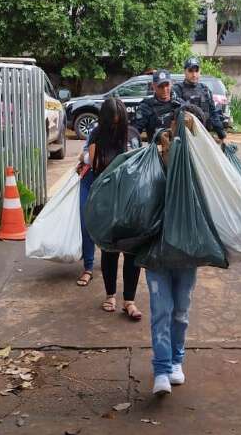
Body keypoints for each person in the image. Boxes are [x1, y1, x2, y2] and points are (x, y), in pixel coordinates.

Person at [147, 111, 200, 395]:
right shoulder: (155, 155)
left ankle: (177, 361)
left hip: (187, 251)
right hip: (157, 249)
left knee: (180, 310)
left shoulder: (202, 164)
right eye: (177, 127)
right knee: (161, 311)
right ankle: (162, 369)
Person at [88, 98, 143, 320]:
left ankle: (129, 300)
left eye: (119, 122)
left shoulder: (132, 135)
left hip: (131, 202)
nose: (116, 126)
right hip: (108, 203)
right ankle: (110, 295)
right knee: (109, 250)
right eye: (112, 122)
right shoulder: (97, 136)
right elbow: (96, 170)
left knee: (132, 251)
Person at [172, 57, 227, 142]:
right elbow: (176, 111)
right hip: (185, 139)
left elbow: (213, 113)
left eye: (196, 71)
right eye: (190, 71)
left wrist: (221, 134)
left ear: (200, 72)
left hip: (204, 136)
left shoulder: (205, 90)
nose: (194, 75)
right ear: (185, 72)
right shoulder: (177, 89)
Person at [132, 69, 180, 141]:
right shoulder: (146, 107)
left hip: (178, 149)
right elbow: (135, 131)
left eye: (167, 85)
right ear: (154, 86)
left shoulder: (179, 104)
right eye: (161, 86)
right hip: (157, 150)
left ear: (171, 84)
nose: (164, 89)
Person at [76, 129, 96, 287]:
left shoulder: (125, 133)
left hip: (111, 184)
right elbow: (85, 156)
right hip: (88, 181)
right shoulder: (95, 131)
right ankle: (88, 267)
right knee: (85, 224)